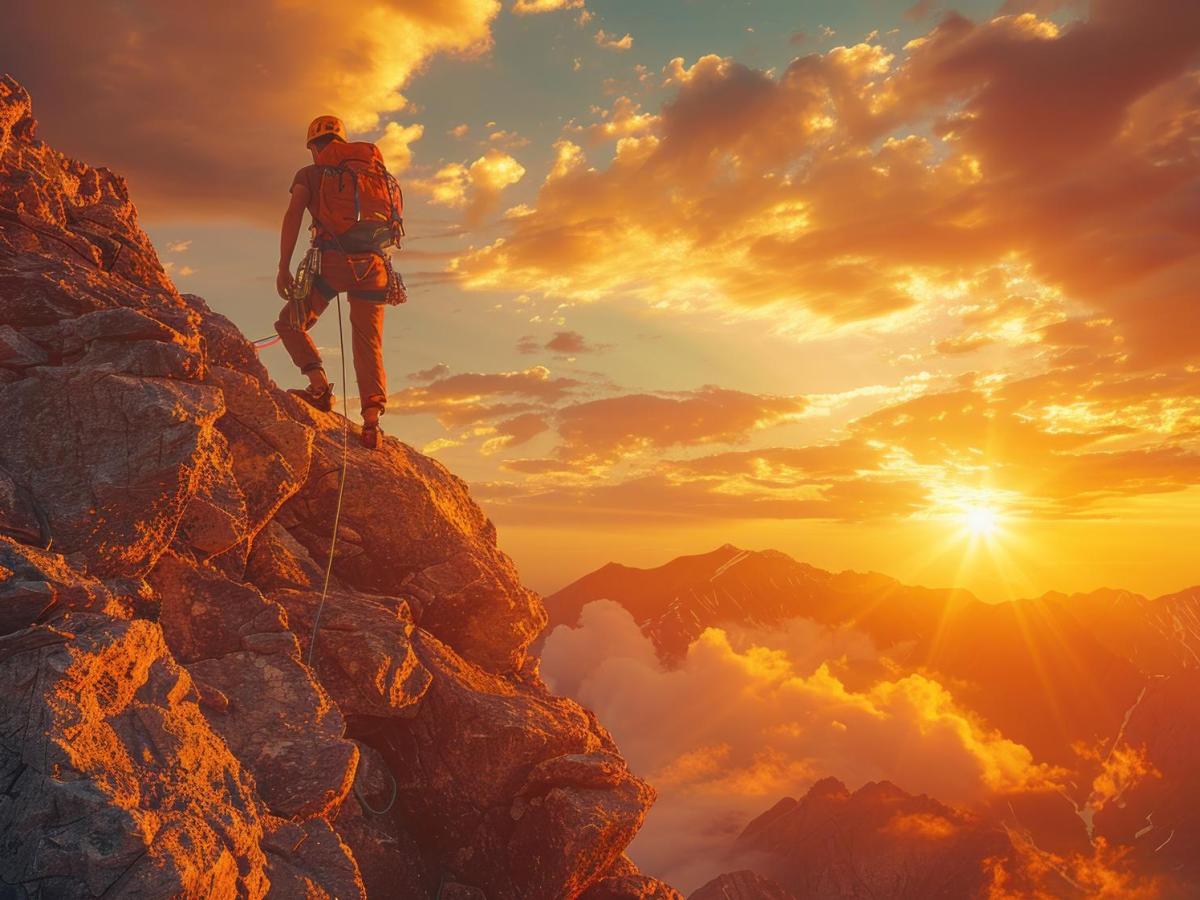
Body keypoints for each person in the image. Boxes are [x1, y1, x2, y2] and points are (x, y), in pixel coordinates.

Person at [274, 115, 405, 449]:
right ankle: (372, 423)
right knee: (368, 343)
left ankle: (318, 387)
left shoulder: (311, 174)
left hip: (333, 264)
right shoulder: (376, 176)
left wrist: (283, 266)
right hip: (374, 267)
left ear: (314, 147)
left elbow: (293, 215)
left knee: (290, 322)